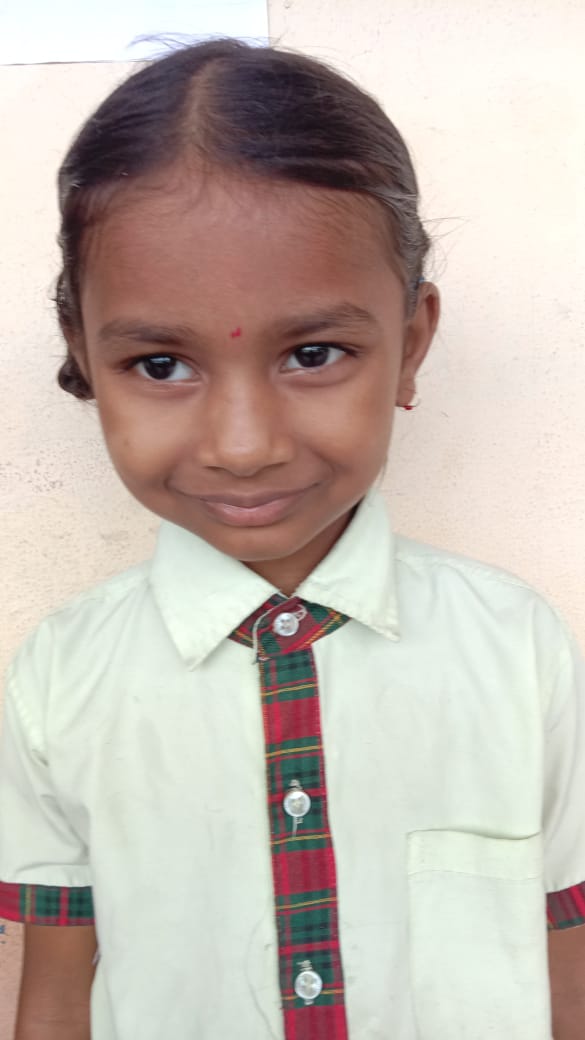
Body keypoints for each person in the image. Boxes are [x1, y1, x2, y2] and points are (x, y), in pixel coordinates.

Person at [0, 37, 583, 1040]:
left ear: (411, 342)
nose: (243, 445)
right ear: (84, 358)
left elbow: (564, 953)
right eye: (161, 364)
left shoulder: (517, 648)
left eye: (313, 353)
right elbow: (56, 987)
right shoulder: (61, 677)